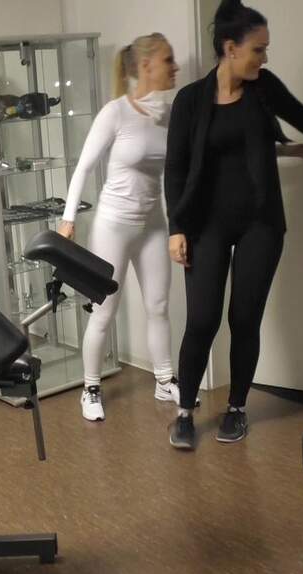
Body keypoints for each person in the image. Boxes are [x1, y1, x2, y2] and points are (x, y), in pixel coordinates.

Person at [164, 0, 303, 448]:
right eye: (259, 49)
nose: (265, 58)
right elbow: (176, 169)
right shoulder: (190, 100)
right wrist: (176, 227)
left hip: (261, 223)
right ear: (230, 48)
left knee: (244, 318)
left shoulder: (263, 88)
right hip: (205, 225)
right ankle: (184, 412)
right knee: (202, 320)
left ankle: (236, 408)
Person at [58, 33, 197, 421]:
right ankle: (90, 388)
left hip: (153, 224)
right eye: (168, 60)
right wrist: (68, 220)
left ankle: (165, 380)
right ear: (146, 66)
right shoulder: (115, 113)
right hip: (113, 226)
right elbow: (84, 167)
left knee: (159, 306)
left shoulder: (170, 116)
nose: (175, 67)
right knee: (104, 312)